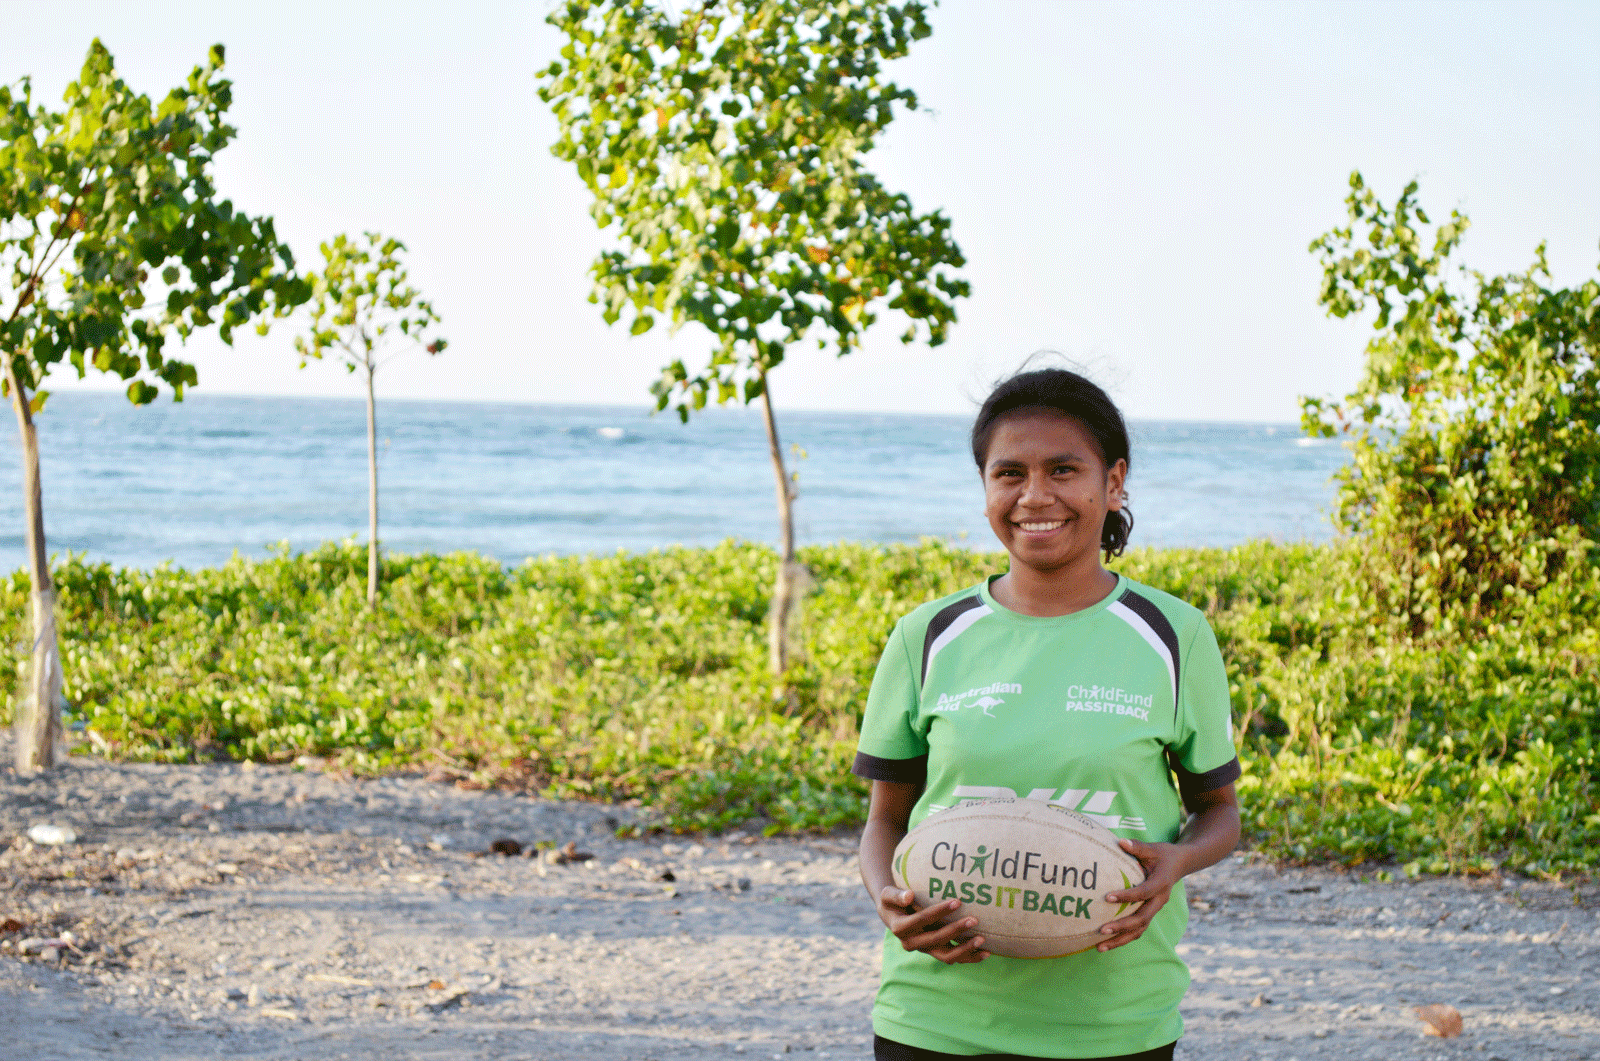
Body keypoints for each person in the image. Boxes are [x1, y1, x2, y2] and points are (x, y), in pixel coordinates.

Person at [854, 367, 1242, 1061]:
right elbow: (886, 819)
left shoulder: (1175, 636)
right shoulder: (928, 635)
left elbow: (1220, 810)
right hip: (934, 1015)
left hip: (1112, 1021)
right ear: (985, 489)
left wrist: (1177, 859)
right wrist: (888, 896)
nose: (1036, 495)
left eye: (1064, 469)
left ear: (1112, 482)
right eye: (1010, 472)